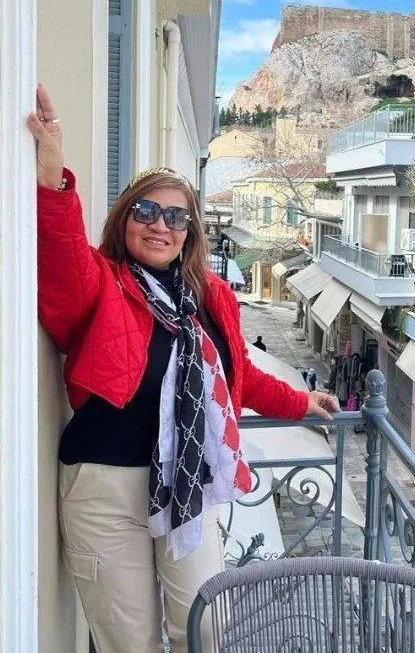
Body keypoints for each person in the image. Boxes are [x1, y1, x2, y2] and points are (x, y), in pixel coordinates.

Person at [28, 85, 339, 653]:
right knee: (132, 642)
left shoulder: (210, 296)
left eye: (176, 216)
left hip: (186, 485)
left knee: (204, 629)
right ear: (125, 219)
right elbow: (64, 266)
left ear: (190, 232)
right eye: (146, 211)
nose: (160, 225)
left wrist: (300, 401)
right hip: (107, 489)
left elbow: (237, 373)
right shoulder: (103, 284)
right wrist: (53, 178)